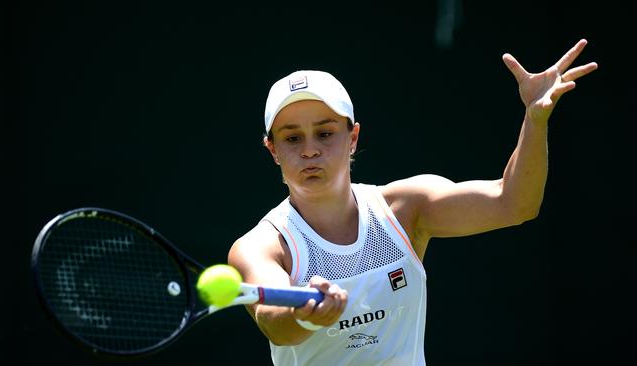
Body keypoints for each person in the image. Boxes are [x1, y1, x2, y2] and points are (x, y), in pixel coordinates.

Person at [228, 39, 597, 365]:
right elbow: (274, 321)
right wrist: (306, 315)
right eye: (292, 139)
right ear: (272, 149)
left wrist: (535, 119)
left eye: (325, 133)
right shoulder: (260, 246)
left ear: (353, 137)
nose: (310, 149)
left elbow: (515, 203)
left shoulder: (406, 207)